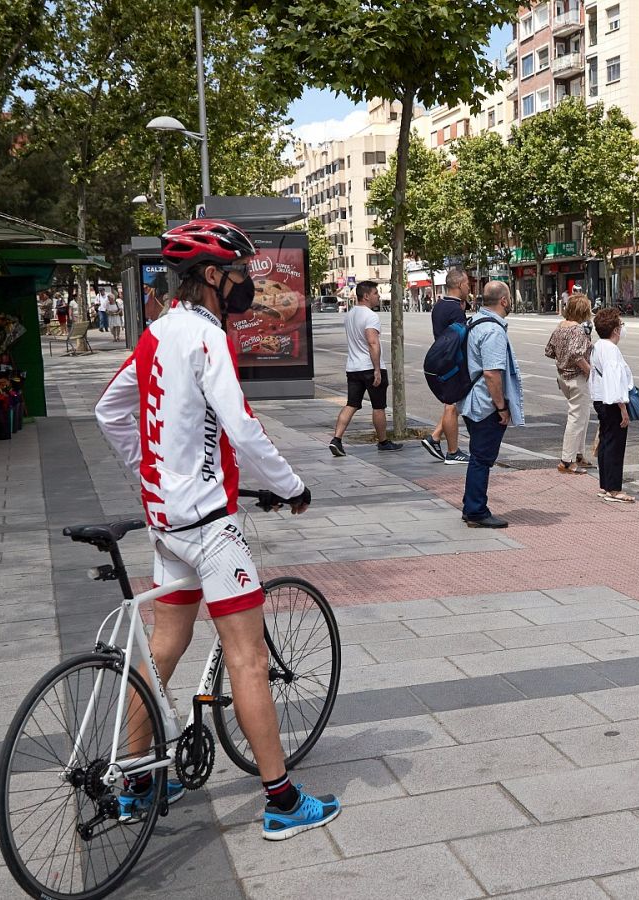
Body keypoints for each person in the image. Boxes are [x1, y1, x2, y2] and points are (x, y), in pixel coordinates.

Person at [95, 217, 340, 842]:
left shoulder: (155, 334)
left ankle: (136, 779)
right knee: (249, 658)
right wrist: (293, 488)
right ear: (211, 277)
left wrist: (151, 470)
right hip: (209, 527)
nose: (246, 287)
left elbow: (110, 410)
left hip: (166, 524)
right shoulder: (208, 339)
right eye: (238, 275)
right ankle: (282, 801)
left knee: (162, 649)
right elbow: (242, 427)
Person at [458, 281, 523, 528]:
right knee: (482, 458)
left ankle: (470, 505)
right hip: (485, 405)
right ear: (504, 300)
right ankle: (476, 511)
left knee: (478, 456)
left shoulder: (475, 322)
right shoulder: (493, 331)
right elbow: (492, 374)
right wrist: (501, 408)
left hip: (472, 401)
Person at [330, 280, 403, 457]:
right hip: (370, 367)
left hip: (353, 367)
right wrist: (377, 369)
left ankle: (336, 439)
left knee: (352, 404)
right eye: (376, 293)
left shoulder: (349, 315)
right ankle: (383, 442)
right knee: (378, 406)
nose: (378, 296)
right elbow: (372, 342)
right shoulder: (370, 316)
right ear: (366, 296)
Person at [422, 267, 472, 465]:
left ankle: (434, 438)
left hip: (443, 359)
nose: (469, 286)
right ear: (460, 285)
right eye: (467, 283)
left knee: (455, 404)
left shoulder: (440, 305)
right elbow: (461, 337)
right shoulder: (454, 310)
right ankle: (452, 452)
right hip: (452, 362)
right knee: (451, 406)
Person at [588, 307, 635, 503]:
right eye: (621, 325)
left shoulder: (599, 346)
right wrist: (623, 408)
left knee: (606, 443)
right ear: (615, 330)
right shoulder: (611, 349)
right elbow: (614, 380)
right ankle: (614, 489)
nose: (622, 328)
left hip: (601, 399)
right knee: (615, 445)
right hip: (612, 402)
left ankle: (605, 486)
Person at [545, 293, 594, 475]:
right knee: (576, 419)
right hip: (576, 378)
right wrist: (590, 371)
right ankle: (567, 461)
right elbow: (576, 354)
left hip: (562, 377)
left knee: (583, 414)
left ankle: (579, 454)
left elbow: (549, 351)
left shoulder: (560, 327)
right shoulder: (578, 330)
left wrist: (562, 358)